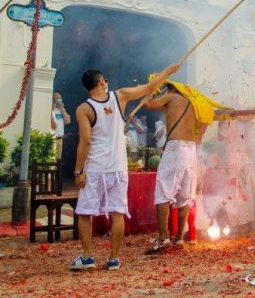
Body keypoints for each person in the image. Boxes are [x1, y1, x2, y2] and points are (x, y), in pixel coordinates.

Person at [69, 63, 179, 271]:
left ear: (87, 88)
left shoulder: (83, 109)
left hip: (95, 167)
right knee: (117, 212)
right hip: (118, 168)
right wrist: (166, 72)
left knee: (85, 213)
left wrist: (78, 171)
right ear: (102, 82)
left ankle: (87, 257)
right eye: (105, 80)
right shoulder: (120, 95)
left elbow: (85, 141)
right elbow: (148, 88)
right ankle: (114, 259)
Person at [143, 83, 208, 253]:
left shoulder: (172, 96)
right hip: (191, 148)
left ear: (170, 89)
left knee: (163, 191)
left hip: (176, 147)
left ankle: (163, 238)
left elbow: (148, 104)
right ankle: (179, 238)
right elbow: (203, 125)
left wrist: (152, 88)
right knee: (184, 195)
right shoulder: (193, 103)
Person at [51, 92, 71, 161]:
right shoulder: (51, 110)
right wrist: (52, 109)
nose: (58, 100)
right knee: (52, 160)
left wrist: (62, 110)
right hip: (52, 139)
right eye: (56, 98)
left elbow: (68, 121)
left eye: (59, 98)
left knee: (58, 161)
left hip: (60, 139)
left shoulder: (62, 110)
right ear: (52, 100)